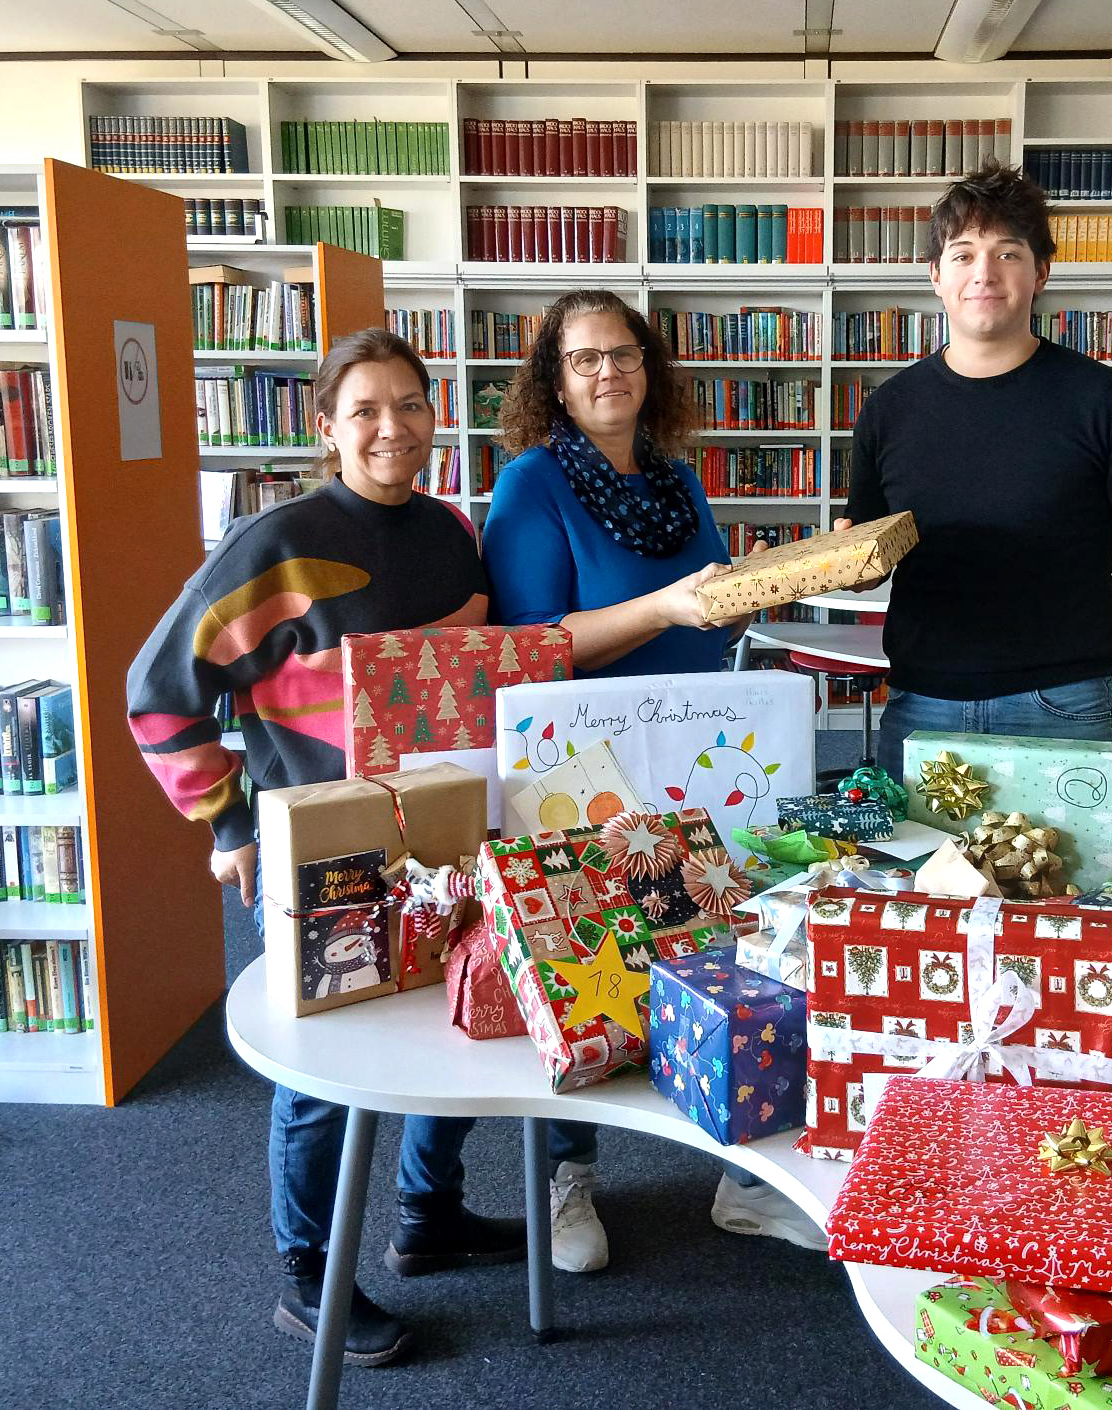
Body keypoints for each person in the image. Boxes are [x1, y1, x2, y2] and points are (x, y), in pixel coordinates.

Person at [127, 329, 525, 1368]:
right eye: (365, 410)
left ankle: (426, 1216)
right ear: (325, 428)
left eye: (409, 404)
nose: (391, 427)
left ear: (437, 415)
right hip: (322, 852)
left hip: (443, 838)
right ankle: (308, 1278)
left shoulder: (451, 533)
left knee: (460, 1032)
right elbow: (160, 694)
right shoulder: (275, 545)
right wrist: (225, 825)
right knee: (321, 1079)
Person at [482, 287, 823, 1271]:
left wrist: (748, 591)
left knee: (732, 950)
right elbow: (531, 648)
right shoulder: (531, 486)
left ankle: (744, 1175)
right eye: (584, 358)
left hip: (702, 759)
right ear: (555, 377)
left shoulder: (681, 481)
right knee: (591, 964)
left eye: (623, 353)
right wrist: (668, 605)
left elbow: (706, 615)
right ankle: (567, 1174)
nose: (607, 373)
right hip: (580, 768)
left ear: (649, 365)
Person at [841, 162, 1112, 771]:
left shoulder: (1107, 403)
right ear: (936, 277)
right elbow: (871, 558)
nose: (984, 273)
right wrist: (848, 568)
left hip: (1064, 706)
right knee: (914, 870)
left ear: (1041, 274)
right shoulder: (888, 409)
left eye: (1008, 254)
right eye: (963, 254)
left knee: (1076, 873)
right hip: (922, 706)